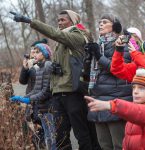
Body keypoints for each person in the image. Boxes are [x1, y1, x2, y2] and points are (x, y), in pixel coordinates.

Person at [10, 10, 100, 150]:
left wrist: (30, 21)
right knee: (60, 137)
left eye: (63, 20)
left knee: (82, 134)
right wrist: (54, 69)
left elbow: (56, 34)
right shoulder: (61, 43)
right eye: (58, 20)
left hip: (73, 93)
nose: (59, 22)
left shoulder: (77, 36)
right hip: (58, 94)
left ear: (73, 21)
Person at [85, 68, 145, 149]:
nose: (135, 91)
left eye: (141, 88)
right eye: (134, 87)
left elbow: (140, 112)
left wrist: (111, 105)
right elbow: (128, 137)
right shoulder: (135, 107)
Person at [86, 13, 132, 150]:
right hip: (98, 98)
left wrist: (99, 57)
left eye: (105, 22)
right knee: (104, 145)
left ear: (115, 26)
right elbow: (90, 74)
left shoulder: (122, 42)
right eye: (99, 22)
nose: (100, 24)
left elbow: (120, 69)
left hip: (115, 98)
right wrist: (88, 58)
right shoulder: (99, 44)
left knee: (119, 145)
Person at [11, 43, 56, 149]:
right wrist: (22, 97)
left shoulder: (48, 65)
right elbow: (36, 89)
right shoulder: (39, 68)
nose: (34, 54)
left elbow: (45, 92)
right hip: (41, 108)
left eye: (38, 52)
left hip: (49, 108)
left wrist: (28, 99)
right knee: (47, 137)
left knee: (51, 137)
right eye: (34, 52)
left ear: (45, 53)